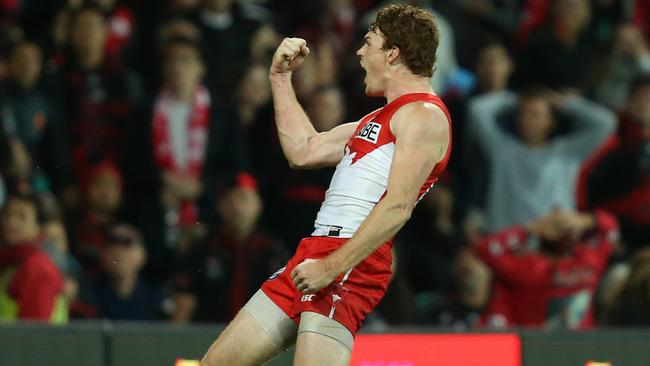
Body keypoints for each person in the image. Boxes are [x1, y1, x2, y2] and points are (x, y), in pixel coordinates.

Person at [201, 4, 452, 366]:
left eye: (369, 43)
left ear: (393, 53)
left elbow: (398, 206)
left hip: (349, 260)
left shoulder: (424, 116)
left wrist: (331, 268)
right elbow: (303, 151)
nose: (359, 52)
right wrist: (280, 79)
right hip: (316, 252)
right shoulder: (380, 118)